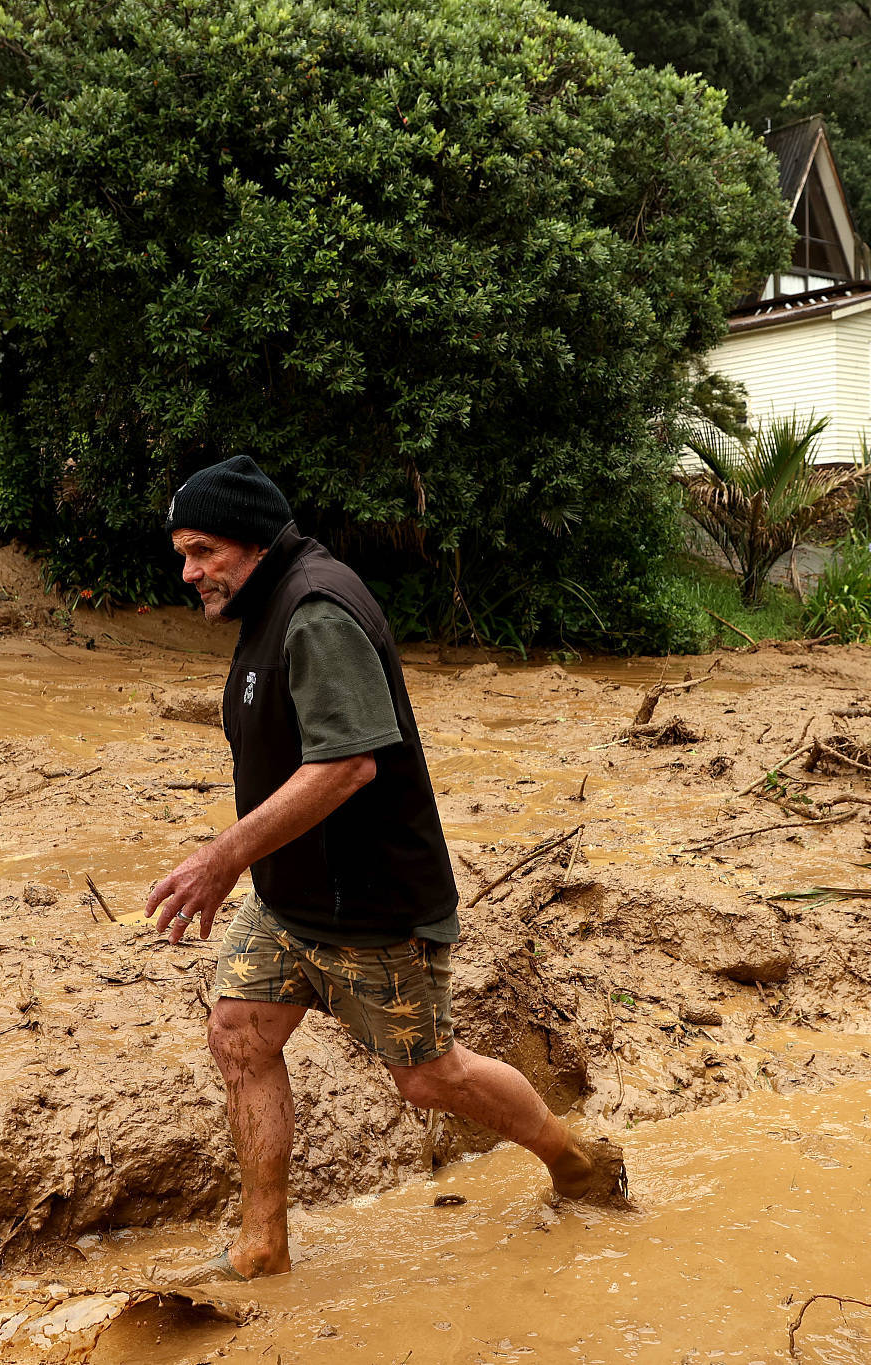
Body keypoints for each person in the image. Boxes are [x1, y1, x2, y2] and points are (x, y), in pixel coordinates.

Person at [146, 455, 629, 1286]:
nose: (188, 572)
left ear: (253, 541)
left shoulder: (317, 612)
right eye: (183, 553)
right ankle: (263, 1243)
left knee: (429, 1078)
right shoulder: (266, 605)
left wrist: (220, 856)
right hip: (290, 896)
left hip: (371, 903)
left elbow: (348, 766)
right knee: (238, 1033)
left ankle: (575, 1155)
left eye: (202, 551)